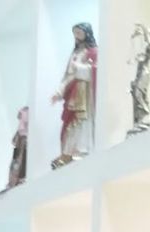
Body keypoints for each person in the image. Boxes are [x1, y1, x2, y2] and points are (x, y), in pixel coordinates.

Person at [51, 22, 97, 167]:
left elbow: (95, 71)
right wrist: (59, 92)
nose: (76, 36)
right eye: (75, 33)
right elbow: (68, 76)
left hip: (85, 93)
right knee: (70, 123)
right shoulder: (75, 53)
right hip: (72, 92)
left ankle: (82, 150)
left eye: (79, 33)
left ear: (86, 34)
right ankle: (68, 152)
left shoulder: (93, 52)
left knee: (82, 121)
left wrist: (80, 69)